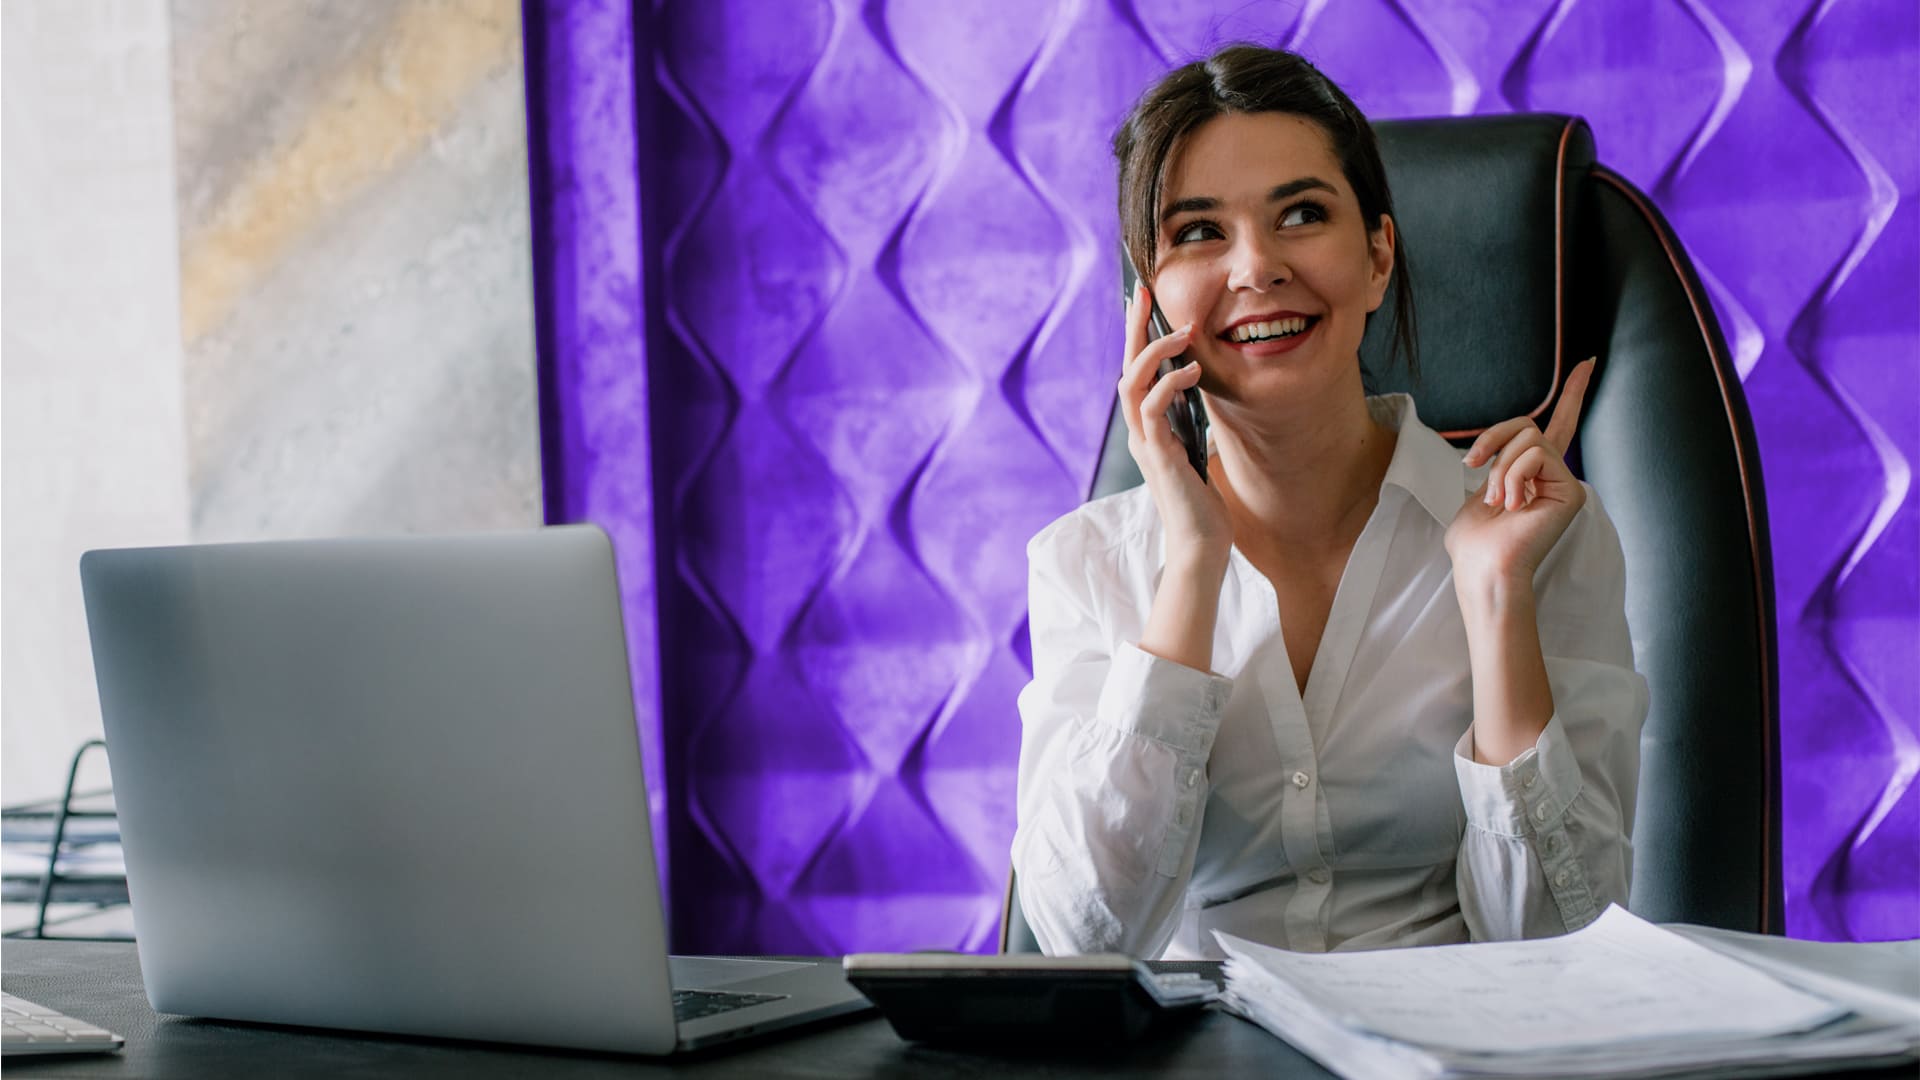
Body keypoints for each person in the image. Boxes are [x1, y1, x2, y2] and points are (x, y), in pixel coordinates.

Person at [1011, 44, 1648, 958]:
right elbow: (1085, 942)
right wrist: (1191, 569)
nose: (1256, 267)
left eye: (1302, 214)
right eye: (1199, 232)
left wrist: (1495, 594)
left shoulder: (1540, 536)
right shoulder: (1086, 566)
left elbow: (1564, 944)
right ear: (1147, 298)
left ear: (1379, 257)